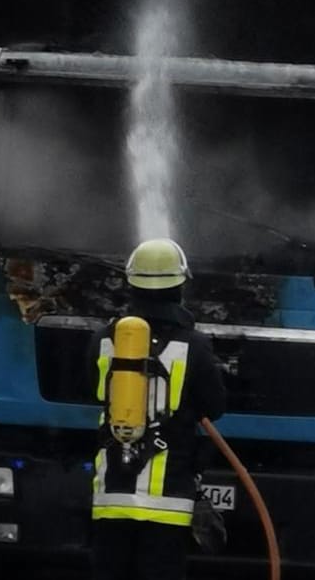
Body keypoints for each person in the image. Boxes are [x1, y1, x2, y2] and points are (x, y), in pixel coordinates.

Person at [90, 238, 227, 580]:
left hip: (112, 496)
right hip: (169, 504)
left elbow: (89, 392)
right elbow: (216, 407)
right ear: (180, 286)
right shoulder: (194, 345)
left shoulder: (103, 340)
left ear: (131, 285)